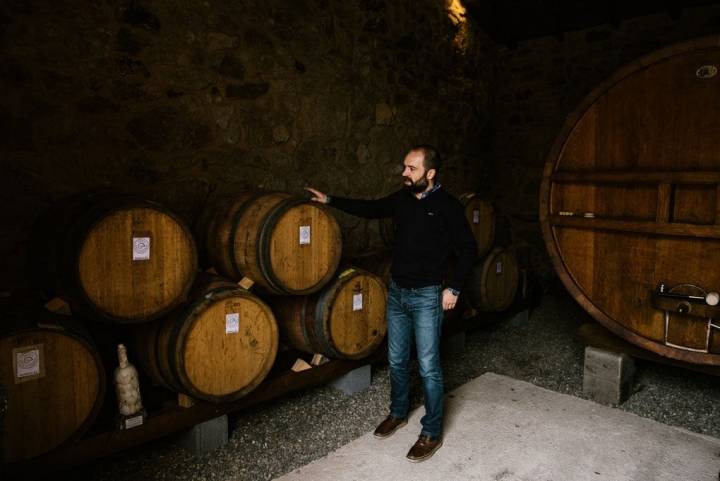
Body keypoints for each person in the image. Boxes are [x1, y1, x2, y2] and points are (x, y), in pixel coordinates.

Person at [306, 145, 477, 462]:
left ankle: (432, 432)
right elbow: (370, 209)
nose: (404, 173)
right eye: (404, 167)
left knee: (428, 366)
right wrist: (330, 200)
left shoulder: (448, 206)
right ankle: (398, 412)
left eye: (411, 168)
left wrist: (453, 288)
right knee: (397, 360)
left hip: (428, 296)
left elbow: (468, 248)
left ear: (430, 173)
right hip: (398, 293)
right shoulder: (401, 199)